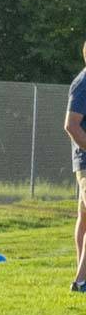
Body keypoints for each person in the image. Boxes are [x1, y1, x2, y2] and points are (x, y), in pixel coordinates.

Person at [65, 39, 86, 292]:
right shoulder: (83, 83)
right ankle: (81, 281)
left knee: (84, 218)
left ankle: (81, 275)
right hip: (85, 162)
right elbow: (71, 125)